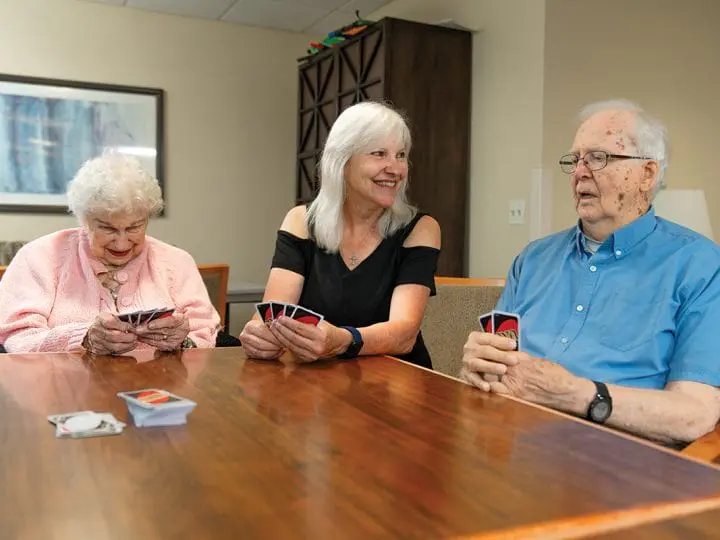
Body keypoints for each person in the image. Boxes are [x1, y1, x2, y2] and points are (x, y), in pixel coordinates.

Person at [461, 99, 720, 445]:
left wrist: (575, 394)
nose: (580, 172)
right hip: (505, 442)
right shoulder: (534, 258)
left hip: (616, 464)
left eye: (599, 158)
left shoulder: (699, 265)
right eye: (575, 160)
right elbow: (497, 366)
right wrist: (479, 367)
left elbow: (695, 414)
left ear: (647, 174)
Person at [239, 101, 441, 367]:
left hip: (398, 384)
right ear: (343, 163)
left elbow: (404, 334)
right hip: (316, 385)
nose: (395, 168)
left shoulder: (421, 228)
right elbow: (273, 315)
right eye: (379, 153)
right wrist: (260, 336)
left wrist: (343, 340)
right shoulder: (301, 221)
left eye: (401, 155)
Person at [0, 152, 220, 354]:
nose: (122, 243)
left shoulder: (177, 262)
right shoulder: (38, 257)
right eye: (108, 228)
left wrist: (184, 342)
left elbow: (206, 336)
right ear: (83, 220)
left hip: (157, 390)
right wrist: (82, 338)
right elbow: (17, 338)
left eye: (135, 227)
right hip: (66, 391)